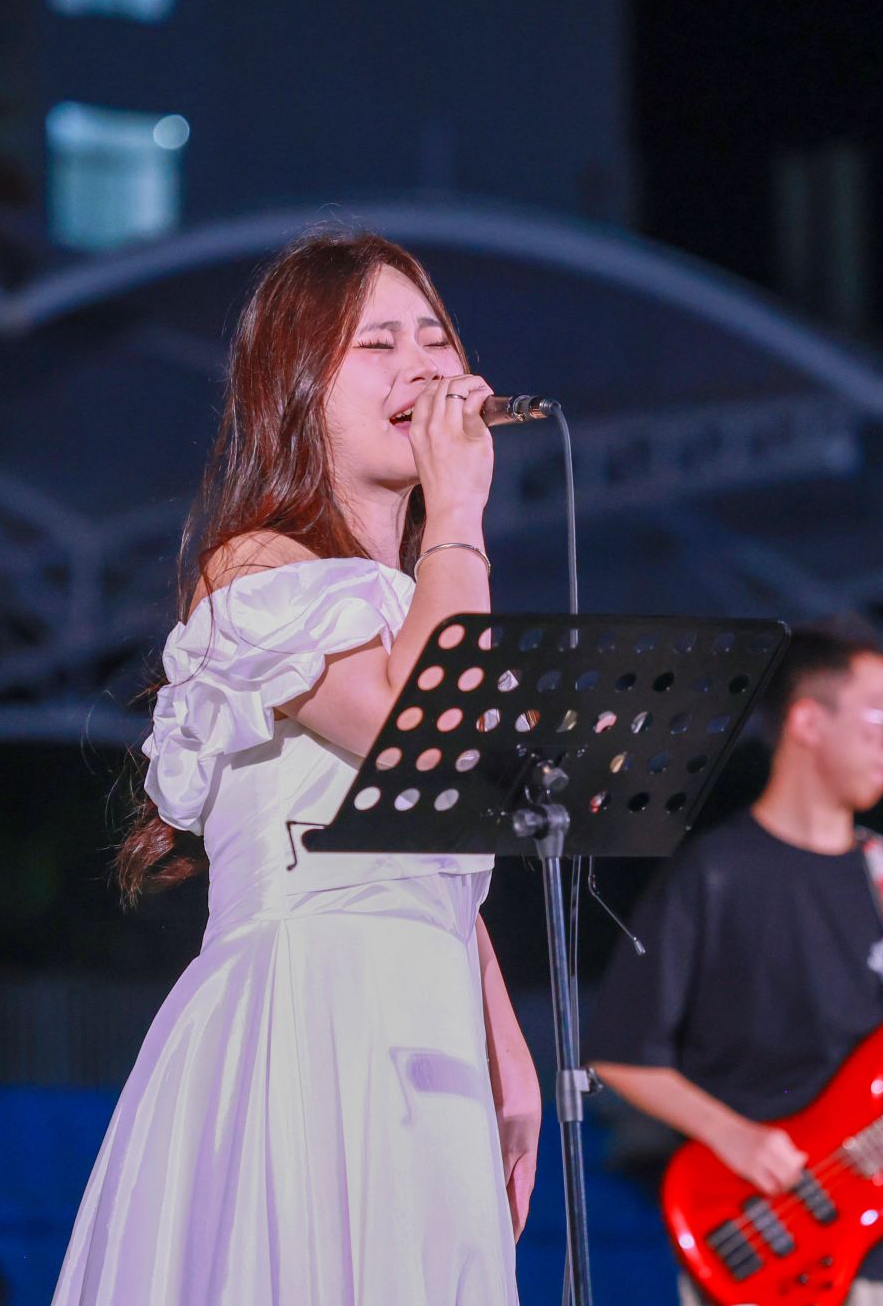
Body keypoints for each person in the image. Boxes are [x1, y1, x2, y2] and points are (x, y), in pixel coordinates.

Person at [49, 232, 539, 1306]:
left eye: (435, 337)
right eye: (378, 343)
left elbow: (436, 847)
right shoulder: (259, 566)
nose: (421, 366)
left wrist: (503, 1040)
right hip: (312, 1008)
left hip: (428, 1023)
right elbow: (420, 739)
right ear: (300, 386)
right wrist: (458, 513)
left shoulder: (431, 591)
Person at [586, 619, 883, 1306]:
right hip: (755, 1235)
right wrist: (735, 1137)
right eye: (881, 718)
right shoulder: (714, 874)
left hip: (878, 1255)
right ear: (807, 720)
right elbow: (620, 1051)